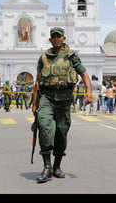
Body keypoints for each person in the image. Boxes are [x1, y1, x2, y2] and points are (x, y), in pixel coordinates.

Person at [31, 27, 92, 183]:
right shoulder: (44, 57)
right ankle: (47, 167)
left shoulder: (71, 56)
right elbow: (38, 81)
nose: (56, 39)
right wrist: (35, 103)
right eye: (54, 37)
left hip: (64, 99)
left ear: (63, 38)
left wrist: (89, 92)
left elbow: (84, 74)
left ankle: (57, 166)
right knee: (44, 128)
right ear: (50, 39)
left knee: (61, 132)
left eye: (59, 36)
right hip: (47, 97)